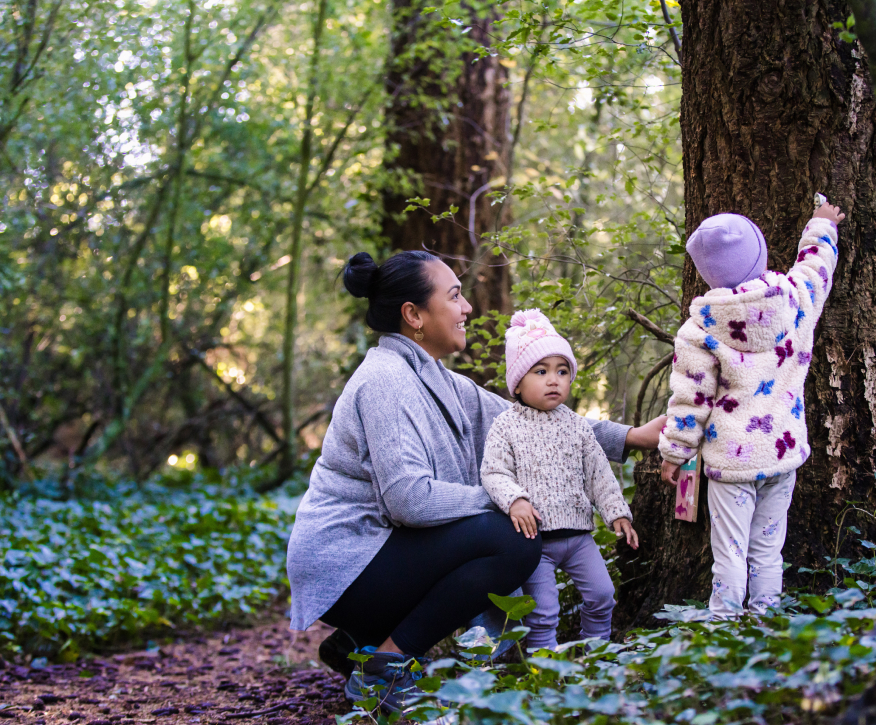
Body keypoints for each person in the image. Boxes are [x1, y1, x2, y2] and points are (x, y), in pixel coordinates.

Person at [286, 249, 667, 713]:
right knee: (514, 538)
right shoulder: (385, 380)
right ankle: (385, 664)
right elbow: (409, 499)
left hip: (381, 553)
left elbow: (535, 420)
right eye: (454, 296)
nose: (467, 307)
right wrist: (508, 497)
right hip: (348, 561)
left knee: (508, 528)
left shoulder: (438, 378)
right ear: (414, 316)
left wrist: (632, 436)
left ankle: (359, 644)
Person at [659, 201, 844, 618]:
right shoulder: (794, 300)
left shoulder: (699, 329)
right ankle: (766, 625)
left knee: (730, 553)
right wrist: (822, 225)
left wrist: (675, 452)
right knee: (767, 550)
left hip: (731, 461)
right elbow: (816, 268)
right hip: (782, 453)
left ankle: (725, 628)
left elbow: (691, 400)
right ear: (759, 254)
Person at [480, 309, 640, 650]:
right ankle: (545, 667)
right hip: (535, 541)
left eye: (562, 371)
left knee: (602, 595)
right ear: (517, 382)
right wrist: (515, 500)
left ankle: (594, 655)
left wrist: (617, 511)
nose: (554, 380)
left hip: (579, 537)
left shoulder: (578, 426)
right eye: (541, 371)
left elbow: (599, 473)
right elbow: (493, 472)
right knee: (543, 612)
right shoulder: (506, 426)